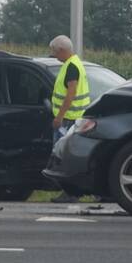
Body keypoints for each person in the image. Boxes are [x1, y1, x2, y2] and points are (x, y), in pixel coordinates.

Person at [48, 35, 90, 204]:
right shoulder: (75, 64)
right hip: (75, 118)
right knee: (65, 157)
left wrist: (59, 117)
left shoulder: (71, 67)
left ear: (62, 50)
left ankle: (70, 193)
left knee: (63, 158)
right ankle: (72, 192)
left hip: (68, 120)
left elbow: (70, 95)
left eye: (55, 52)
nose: (54, 55)